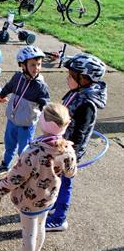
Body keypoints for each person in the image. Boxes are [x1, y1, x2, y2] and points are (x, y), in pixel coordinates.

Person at [0, 103, 77, 251]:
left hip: (29, 201)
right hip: (49, 198)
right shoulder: (68, 149)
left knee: (28, 235)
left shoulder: (33, 152)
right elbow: (71, 173)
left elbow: (15, 178)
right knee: (41, 226)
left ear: (44, 123)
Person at [45, 54, 107, 232]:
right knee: (56, 180)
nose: (67, 78)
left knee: (65, 184)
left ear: (84, 79)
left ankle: (59, 218)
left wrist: (70, 155)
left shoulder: (87, 104)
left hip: (69, 152)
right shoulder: (77, 92)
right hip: (60, 145)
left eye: (71, 75)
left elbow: (80, 133)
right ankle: (53, 205)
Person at [0, 46, 50, 176]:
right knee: (9, 144)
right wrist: (2, 94)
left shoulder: (40, 86)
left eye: (39, 64)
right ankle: (5, 165)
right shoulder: (17, 77)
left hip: (26, 124)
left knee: (24, 150)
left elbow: (45, 103)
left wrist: (47, 117)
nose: (36, 68)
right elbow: (9, 86)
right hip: (12, 120)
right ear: (23, 65)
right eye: (33, 65)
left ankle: (24, 171)